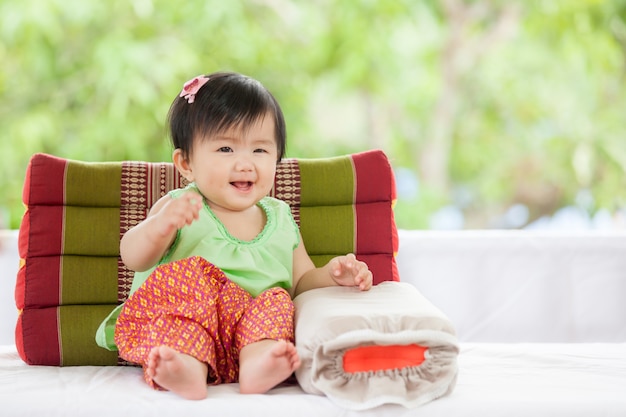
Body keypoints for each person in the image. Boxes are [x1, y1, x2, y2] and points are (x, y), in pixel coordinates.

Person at [95, 71, 373, 400]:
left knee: (277, 302)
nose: (245, 163)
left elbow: (300, 282)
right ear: (186, 163)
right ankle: (185, 367)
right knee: (189, 282)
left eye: (259, 151)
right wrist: (161, 226)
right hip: (190, 326)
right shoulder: (179, 208)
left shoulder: (281, 218)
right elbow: (133, 256)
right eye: (226, 148)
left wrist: (331, 274)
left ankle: (259, 363)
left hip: (248, 334)